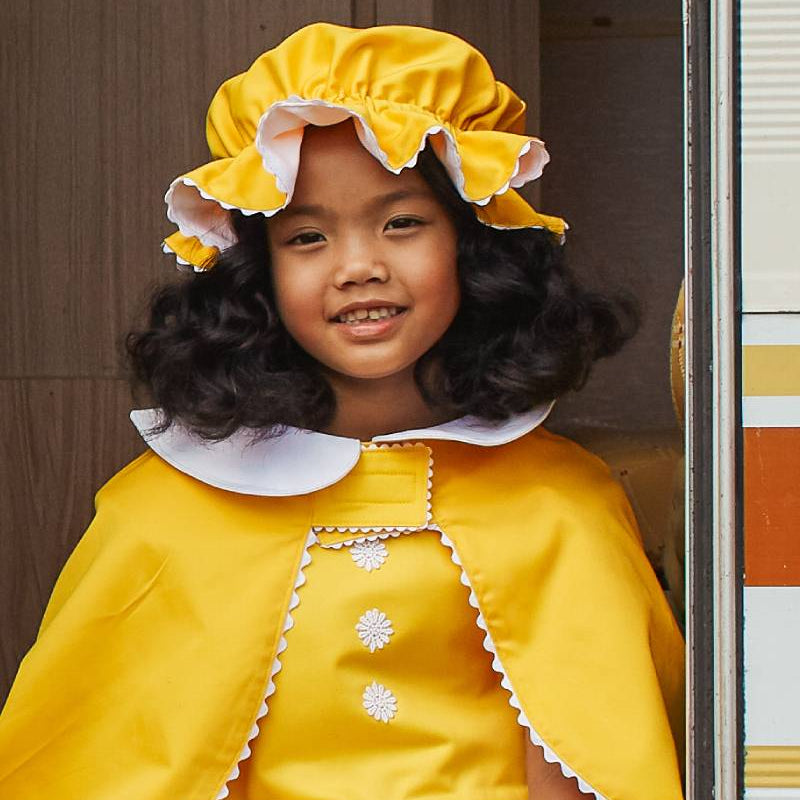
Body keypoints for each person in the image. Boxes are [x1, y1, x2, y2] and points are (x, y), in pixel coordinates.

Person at [0, 22, 684, 800]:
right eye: (307, 237)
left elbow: (591, 764)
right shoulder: (159, 517)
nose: (359, 267)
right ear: (256, 276)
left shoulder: (563, 503)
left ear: (473, 246)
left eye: (402, 222)